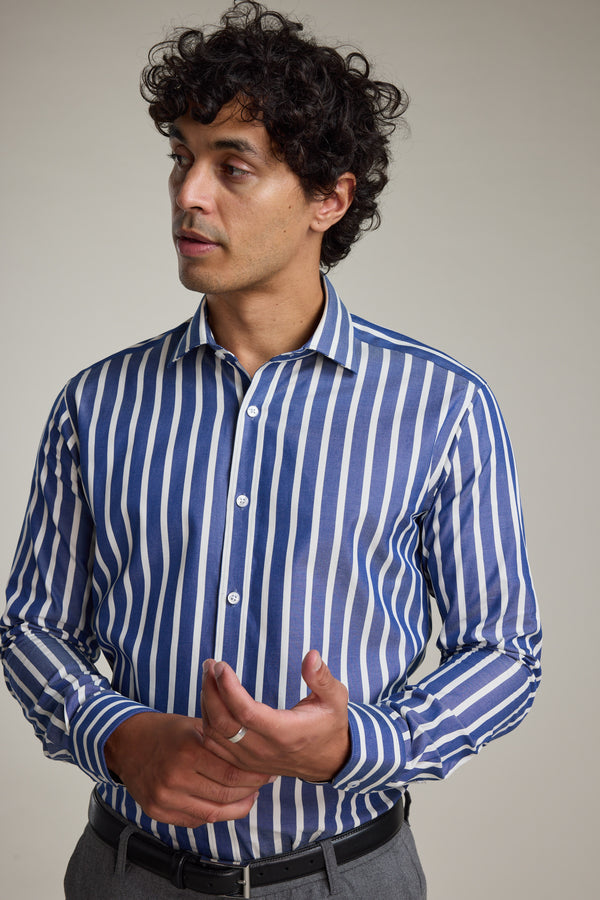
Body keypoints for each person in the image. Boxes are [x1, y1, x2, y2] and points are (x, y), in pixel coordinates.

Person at [0, 2, 542, 897]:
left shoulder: (443, 407)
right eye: (181, 157)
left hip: (346, 875)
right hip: (126, 873)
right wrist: (116, 734)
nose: (188, 194)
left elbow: (505, 650)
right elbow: (30, 623)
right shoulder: (96, 405)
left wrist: (362, 744)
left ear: (329, 197)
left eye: (231, 165)